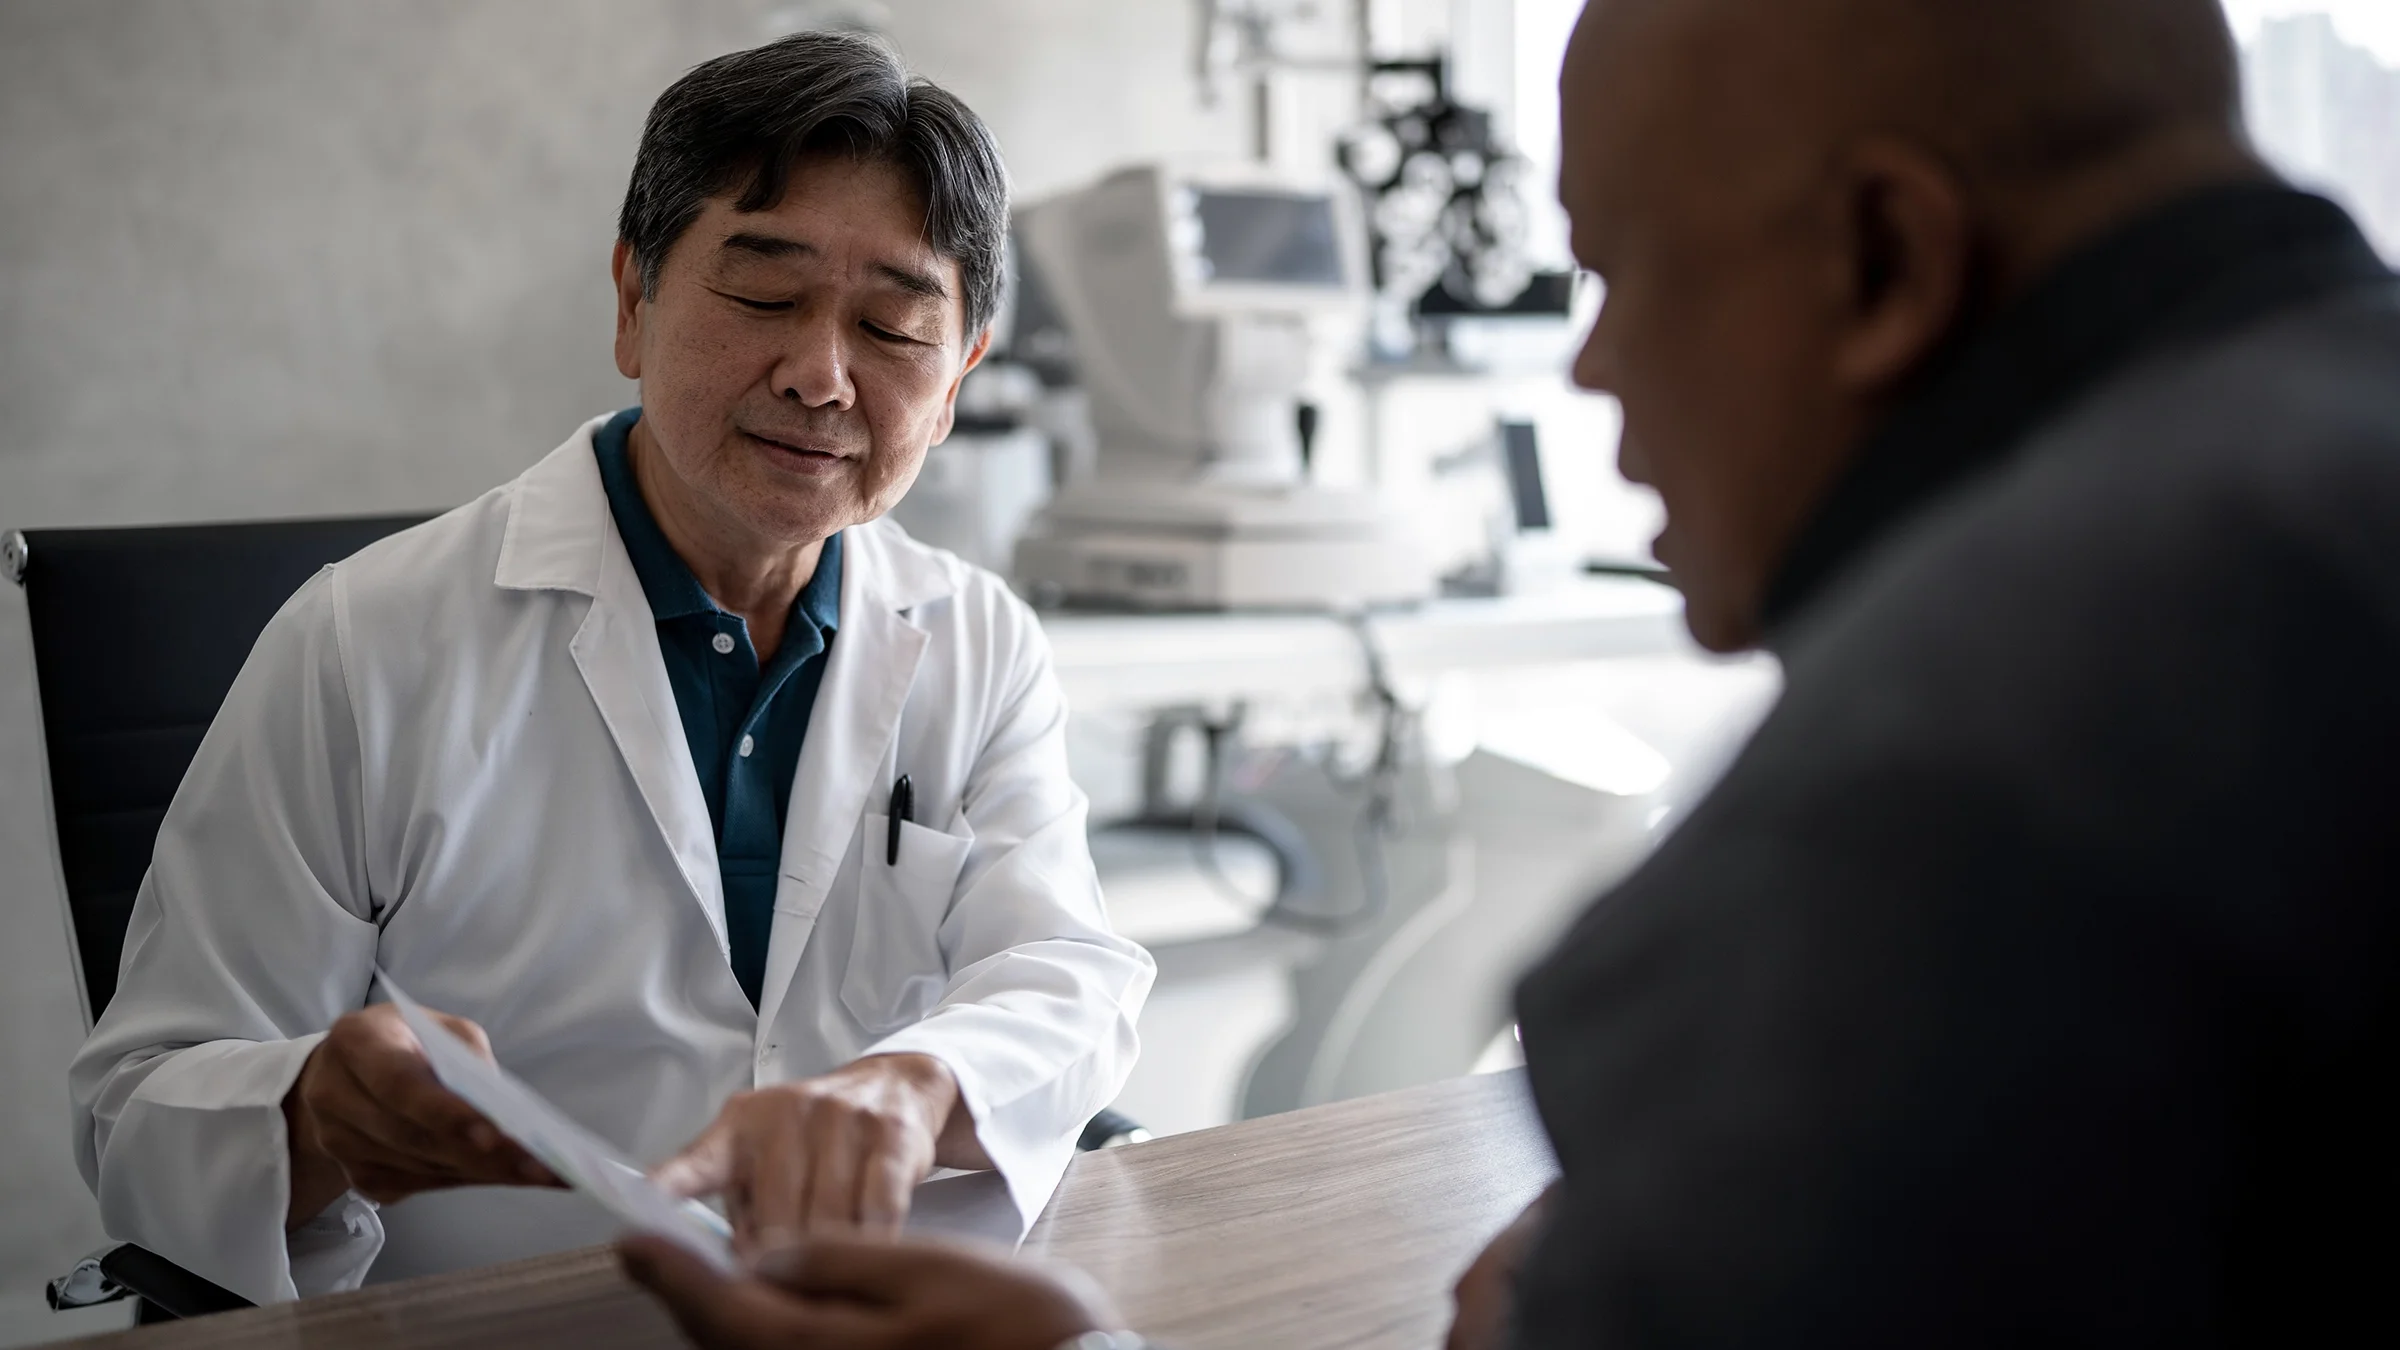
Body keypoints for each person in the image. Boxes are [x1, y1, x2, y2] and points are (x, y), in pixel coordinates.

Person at [610, 0, 2400, 1346]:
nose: (1595, 373)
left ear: (1884, 262)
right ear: (635, 298)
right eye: (764, 296)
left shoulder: (1954, 790)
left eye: (1617, 275)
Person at [68, 31, 1154, 1306]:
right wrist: (306, 1116)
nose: (820, 375)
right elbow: (137, 1108)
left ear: (959, 373)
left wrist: (919, 1086)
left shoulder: (980, 642)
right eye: (764, 298)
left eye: (893, 326)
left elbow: (1069, 977)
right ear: (633, 299)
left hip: (859, 1322)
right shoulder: (362, 641)